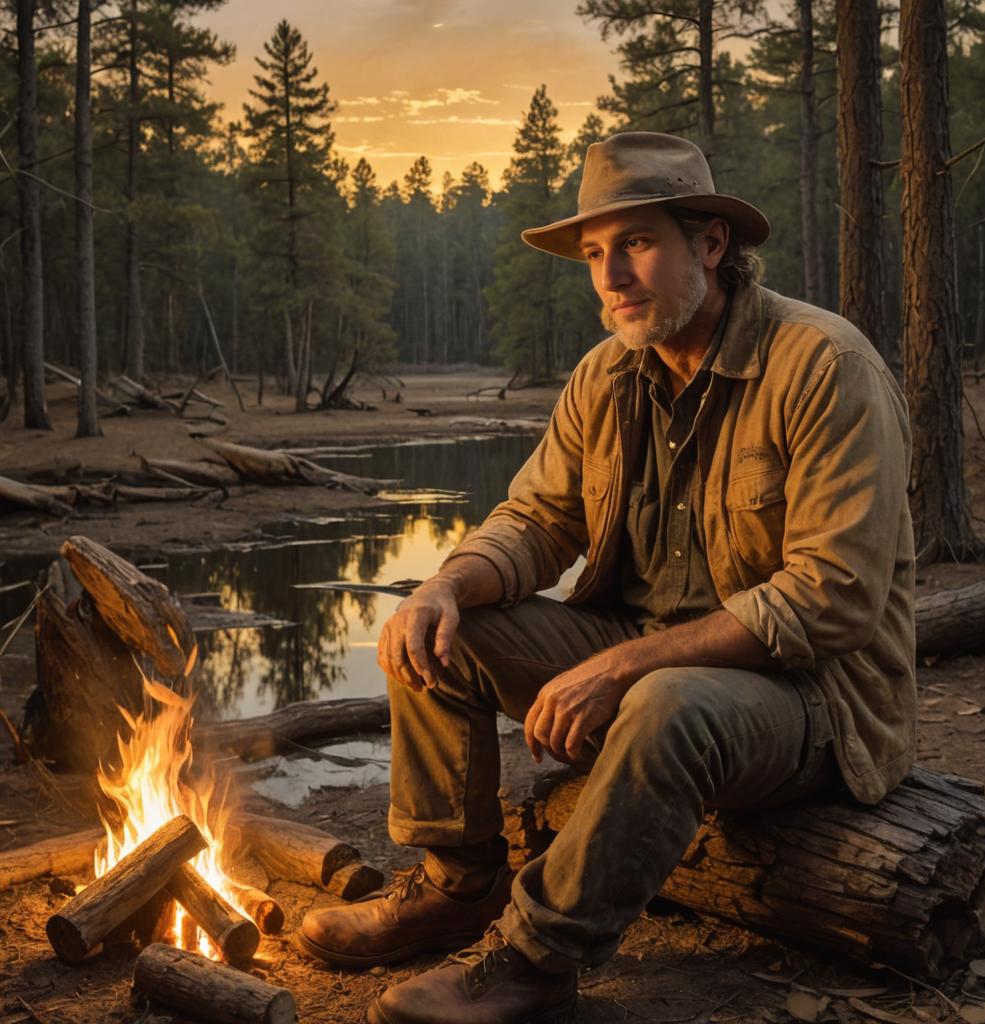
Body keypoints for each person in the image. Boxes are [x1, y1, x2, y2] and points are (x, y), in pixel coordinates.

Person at [298, 131, 917, 1024]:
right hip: (646, 652)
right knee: (436, 631)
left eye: (635, 243)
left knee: (665, 702)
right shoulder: (607, 374)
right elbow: (539, 520)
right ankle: (457, 886)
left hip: (814, 701)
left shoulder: (825, 367)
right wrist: (447, 583)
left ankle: (534, 962)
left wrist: (626, 668)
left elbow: (833, 597)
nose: (611, 277)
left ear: (709, 244)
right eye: (595, 254)